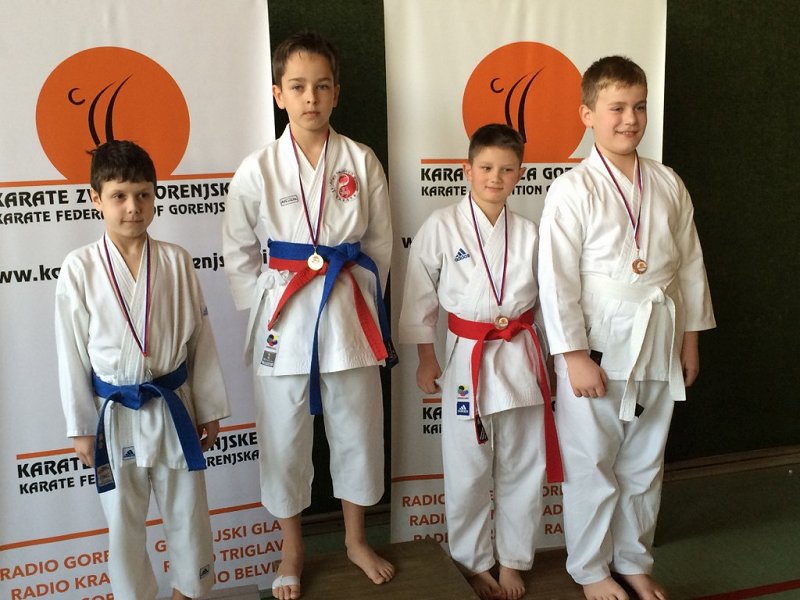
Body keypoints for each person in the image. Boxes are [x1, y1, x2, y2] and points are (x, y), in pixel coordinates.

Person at [222, 31, 394, 600]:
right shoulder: (258, 168)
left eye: (321, 86)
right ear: (278, 94)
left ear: (337, 92)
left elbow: (380, 243)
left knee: (357, 428)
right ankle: (291, 548)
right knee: (283, 434)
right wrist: (264, 304)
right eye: (297, 87)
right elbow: (237, 251)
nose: (310, 97)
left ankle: (355, 539)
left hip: (346, 307)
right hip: (284, 312)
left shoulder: (360, 160)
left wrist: (357, 293)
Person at [538, 56, 716, 600]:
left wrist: (689, 340)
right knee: (592, 462)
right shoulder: (572, 189)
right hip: (598, 344)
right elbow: (556, 279)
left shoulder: (667, 181)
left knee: (644, 463)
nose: (630, 119)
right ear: (588, 114)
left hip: (659, 338)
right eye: (616, 108)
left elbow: (690, 267)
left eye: (639, 107)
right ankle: (591, 569)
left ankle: (633, 560)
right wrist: (572, 356)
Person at [55, 140, 231, 600]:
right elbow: (70, 353)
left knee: (188, 510)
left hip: (174, 405)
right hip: (113, 412)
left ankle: (189, 592)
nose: (133, 207)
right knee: (122, 521)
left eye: (143, 194)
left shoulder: (176, 259)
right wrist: (81, 427)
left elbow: (200, 340)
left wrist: (209, 408)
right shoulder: (79, 268)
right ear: (95, 199)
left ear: (154, 196)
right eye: (119, 196)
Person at [399, 124, 562, 600]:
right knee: (467, 467)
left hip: (522, 358)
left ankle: (513, 560)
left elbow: (550, 305)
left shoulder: (530, 233)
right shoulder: (441, 226)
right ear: (467, 170)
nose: (495, 177)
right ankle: (472, 562)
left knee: (522, 466)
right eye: (486, 168)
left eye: (507, 170)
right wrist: (425, 357)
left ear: (520, 174)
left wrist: (554, 362)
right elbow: (420, 297)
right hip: (466, 357)